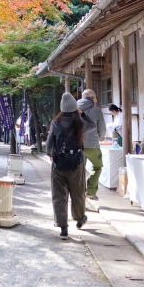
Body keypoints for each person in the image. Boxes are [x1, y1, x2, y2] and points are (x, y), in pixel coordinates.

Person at [46, 93, 88, 239]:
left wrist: (50, 154)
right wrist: (82, 114)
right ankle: (79, 219)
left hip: (59, 163)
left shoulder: (55, 123)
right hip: (76, 163)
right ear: (75, 107)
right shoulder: (80, 122)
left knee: (58, 195)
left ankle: (63, 228)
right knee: (78, 193)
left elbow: (49, 143)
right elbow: (92, 127)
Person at [77, 89, 106, 201]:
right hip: (93, 144)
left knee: (79, 169)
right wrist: (99, 138)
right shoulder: (96, 110)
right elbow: (102, 128)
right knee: (97, 166)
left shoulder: (75, 108)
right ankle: (90, 191)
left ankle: (79, 193)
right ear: (93, 98)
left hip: (77, 144)